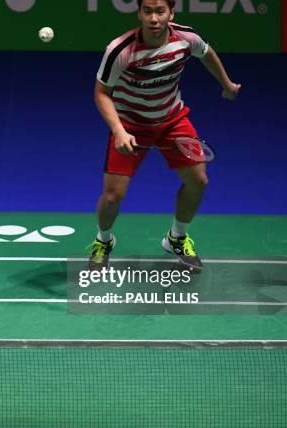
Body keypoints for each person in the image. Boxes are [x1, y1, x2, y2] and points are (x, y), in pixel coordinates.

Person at [88, 0, 240, 271]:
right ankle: (104, 240)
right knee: (112, 197)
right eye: (148, 11)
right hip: (130, 124)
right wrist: (119, 131)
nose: (154, 18)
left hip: (171, 120)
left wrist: (226, 84)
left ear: (171, 13)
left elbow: (206, 53)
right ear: (139, 14)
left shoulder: (186, 38)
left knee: (198, 181)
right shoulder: (120, 50)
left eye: (160, 12)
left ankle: (177, 238)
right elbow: (101, 93)